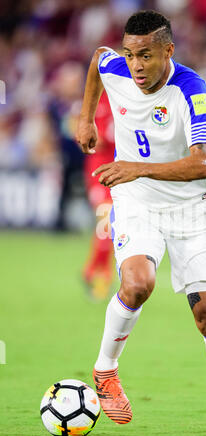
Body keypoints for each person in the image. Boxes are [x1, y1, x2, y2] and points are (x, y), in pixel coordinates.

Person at [76, 10, 206, 435]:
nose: (135, 65)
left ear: (167, 51)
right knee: (138, 283)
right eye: (130, 54)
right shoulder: (115, 66)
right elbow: (97, 60)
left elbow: (205, 161)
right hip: (137, 203)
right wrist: (86, 118)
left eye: (145, 55)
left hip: (191, 209)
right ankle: (105, 371)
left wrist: (139, 167)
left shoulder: (191, 89)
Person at [82, 91, 115, 300]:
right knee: (107, 224)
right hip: (99, 174)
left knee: (111, 228)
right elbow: (96, 139)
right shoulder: (98, 101)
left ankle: (93, 271)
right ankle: (99, 274)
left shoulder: (125, 97)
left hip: (119, 173)